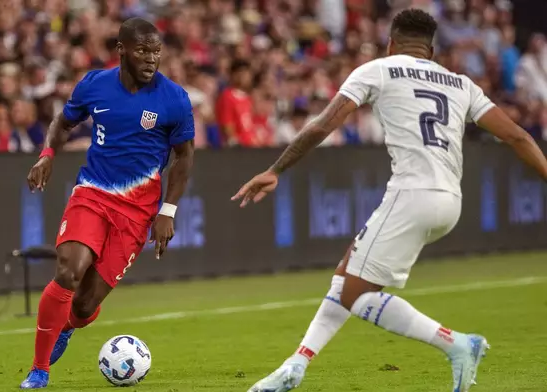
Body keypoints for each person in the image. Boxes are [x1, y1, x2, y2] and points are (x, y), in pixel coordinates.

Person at [232, 9, 547, 392]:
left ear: (390, 42)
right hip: (451, 200)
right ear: (430, 50)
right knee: (345, 278)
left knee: (358, 296)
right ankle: (294, 367)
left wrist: (276, 170)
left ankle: (458, 344)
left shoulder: (378, 69)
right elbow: (517, 136)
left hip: (411, 195)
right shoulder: (461, 83)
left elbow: (324, 124)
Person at [20, 17, 195, 389]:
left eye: (156, 51)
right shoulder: (94, 85)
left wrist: (168, 210)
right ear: (121, 50)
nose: (151, 59)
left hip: (136, 213)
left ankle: (66, 326)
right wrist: (48, 153)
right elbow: (63, 122)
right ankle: (39, 370)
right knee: (68, 269)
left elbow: (184, 156)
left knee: (83, 306)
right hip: (92, 194)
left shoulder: (174, 99)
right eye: (142, 50)